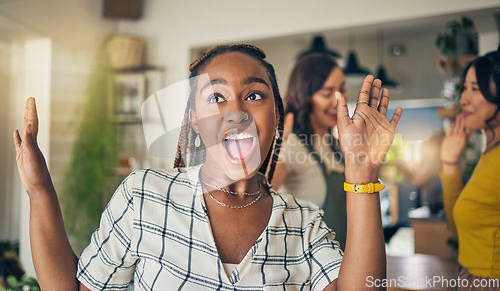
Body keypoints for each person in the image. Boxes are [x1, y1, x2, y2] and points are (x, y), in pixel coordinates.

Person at [13, 44, 401, 290]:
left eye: (253, 94)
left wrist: (362, 174)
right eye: (215, 97)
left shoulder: (305, 223)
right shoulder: (143, 195)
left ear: (278, 118)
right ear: (195, 121)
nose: (235, 112)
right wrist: (39, 191)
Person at [272, 53, 348, 250]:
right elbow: (257, 199)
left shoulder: (334, 145)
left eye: (342, 90)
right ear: (303, 97)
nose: (337, 101)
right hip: (310, 271)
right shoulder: (291, 144)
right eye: (326, 93)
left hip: (344, 263)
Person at [440, 48, 500, 289]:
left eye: (475, 89)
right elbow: (461, 229)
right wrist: (449, 162)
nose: (463, 98)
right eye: (465, 87)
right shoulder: (490, 153)